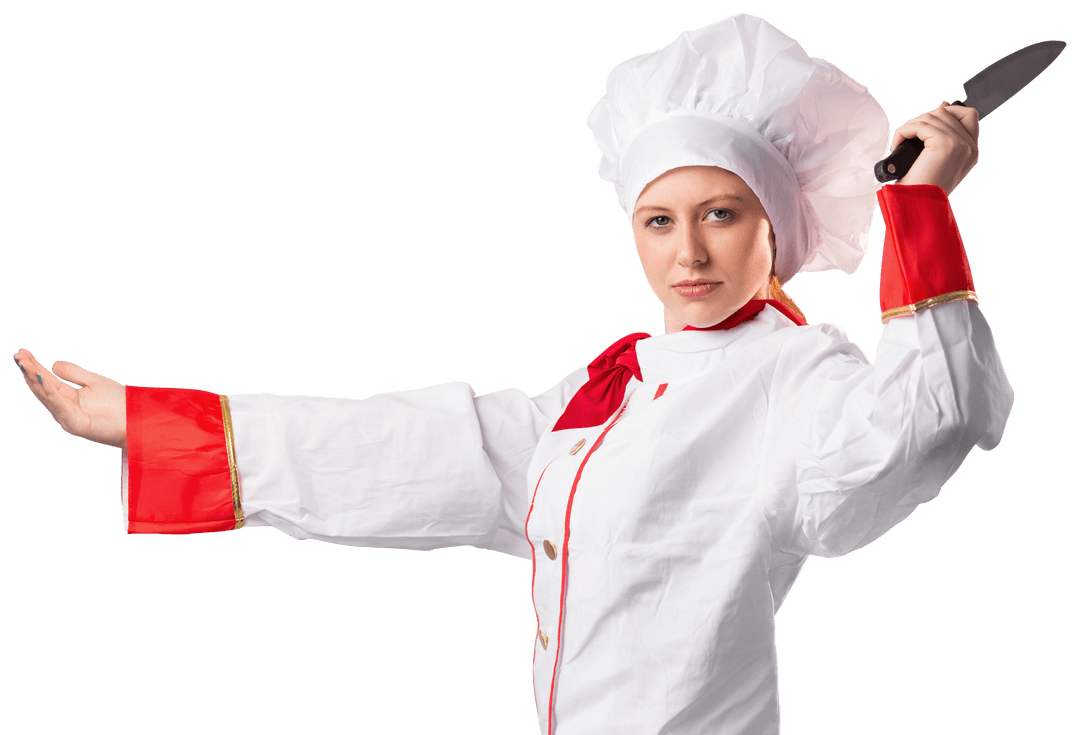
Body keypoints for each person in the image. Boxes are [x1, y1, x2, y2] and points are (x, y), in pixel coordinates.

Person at [12, 13, 1013, 735]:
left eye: (722, 214)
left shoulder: (796, 376)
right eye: (659, 221)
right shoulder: (603, 393)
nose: (688, 254)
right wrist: (153, 425)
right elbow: (403, 449)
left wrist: (918, 211)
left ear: (776, 232)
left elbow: (924, 424)